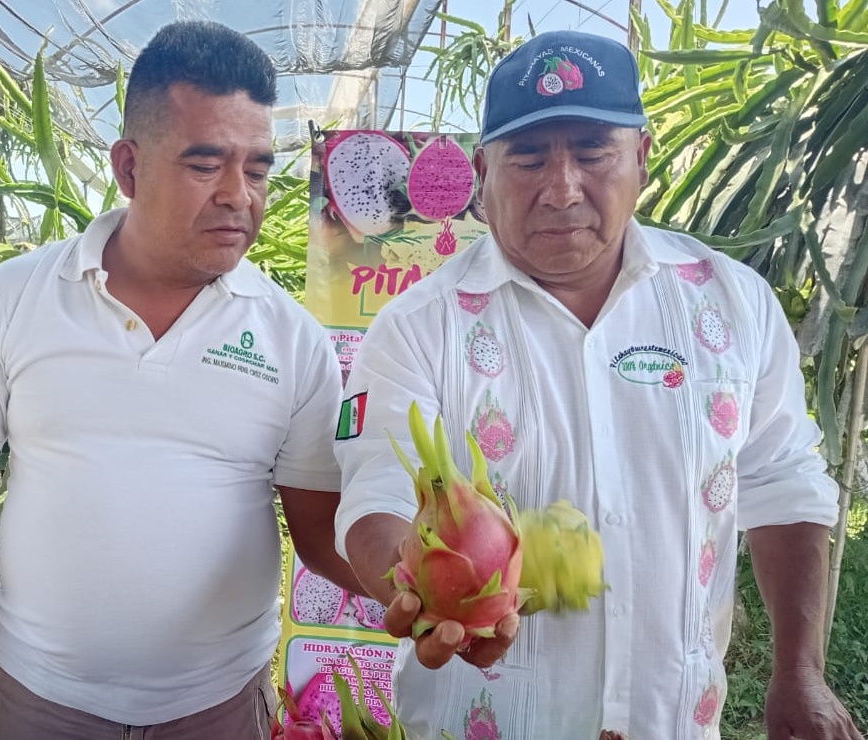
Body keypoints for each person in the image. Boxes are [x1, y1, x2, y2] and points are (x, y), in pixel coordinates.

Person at [333, 30, 863, 740]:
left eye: (591, 153)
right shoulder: (417, 326)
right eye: (526, 157)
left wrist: (798, 670)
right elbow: (376, 493)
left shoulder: (731, 305)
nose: (560, 188)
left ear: (640, 158)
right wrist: (415, 587)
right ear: (482, 173)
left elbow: (781, 483)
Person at [0, 20, 362, 740]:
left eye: (258, 168)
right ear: (128, 165)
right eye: (206, 164)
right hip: (38, 702)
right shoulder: (18, 296)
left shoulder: (290, 337)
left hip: (218, 709)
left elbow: (320, 535)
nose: (239, 194)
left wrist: (424, 580)